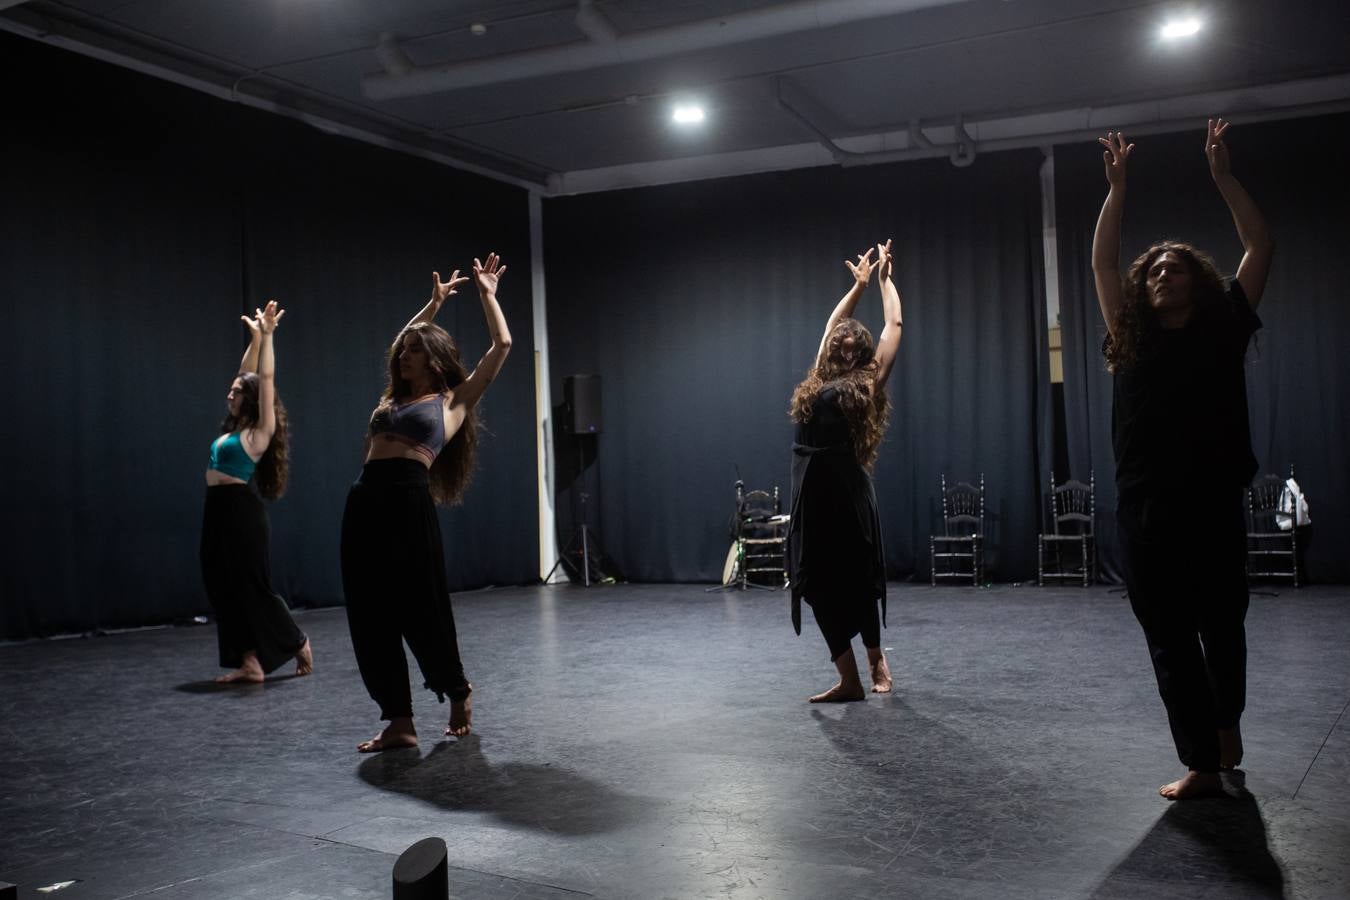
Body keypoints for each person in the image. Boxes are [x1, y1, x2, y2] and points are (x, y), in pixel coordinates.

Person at [1092, 120, 1274, 799]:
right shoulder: (1130, 336)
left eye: (1176, 265)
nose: (1164, 271)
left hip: (1213, 504)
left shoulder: (1225, 325)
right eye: (1156, 268)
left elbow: (1259, 243)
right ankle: (1203, 758)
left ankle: (1227, 728)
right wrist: (1116, 191)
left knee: (1222, 629)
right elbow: (1104, 264)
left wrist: (1223, 175)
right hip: (1146, 512)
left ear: (1198, 282)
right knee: (1168, 640)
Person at [341, 254, 511, 752]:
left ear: (433, 359)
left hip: (408, 501)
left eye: (416, 351)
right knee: (369, 613)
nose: (404, 356)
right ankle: (399, 720)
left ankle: (456, 689)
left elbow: (501, 347)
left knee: (421, 608)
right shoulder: (391, 399)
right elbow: (402, 341)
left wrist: (486, 295)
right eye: (404, 351)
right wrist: (432, 304)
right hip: (365, 500)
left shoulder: (452, 402)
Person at [787, 239, 904, 702]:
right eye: (841, 342)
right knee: (813, 583)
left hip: (846, 492)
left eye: (854, 343)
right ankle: (848, 678)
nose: (844, 343)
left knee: (857, 583)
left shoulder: (867, 382)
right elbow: (831, 323)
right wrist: (855, 287)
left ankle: (877, 662)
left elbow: (894, 324)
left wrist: (885, 283)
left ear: (862, 353)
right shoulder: (817, 377)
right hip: (809, 492)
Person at [201, 300, 312, 683]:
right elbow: (245, 374)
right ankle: (249, 661)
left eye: (235, 392)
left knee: (251, 584)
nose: (229, 395)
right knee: (220, 583)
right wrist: (253, 339)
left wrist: (268, 338)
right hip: (216, 510)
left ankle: (296, 641)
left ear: (247, 399)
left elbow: (261, 380)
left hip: (241, 514)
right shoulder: (234, 428)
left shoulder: (259, 432)